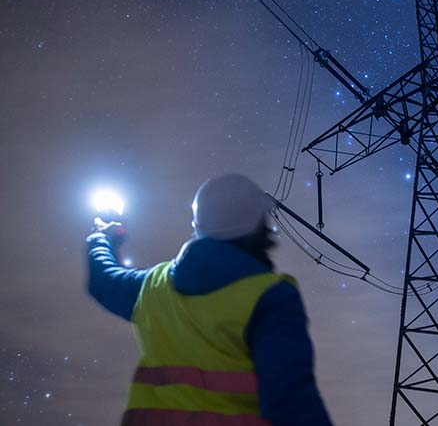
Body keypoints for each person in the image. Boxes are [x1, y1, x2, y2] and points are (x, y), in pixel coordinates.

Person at [86, 173, 333, 425]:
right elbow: (291, 402)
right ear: (261, 227)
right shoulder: (270, 298)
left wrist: (101, 238)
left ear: (197, 226)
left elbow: (103, 280)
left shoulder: (153, 287)